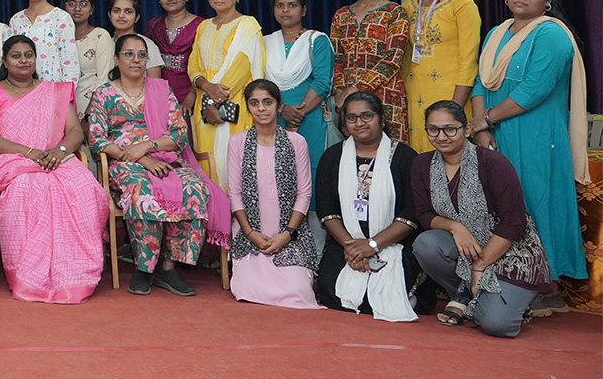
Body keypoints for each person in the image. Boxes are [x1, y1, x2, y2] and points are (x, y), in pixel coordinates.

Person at [469, 0, 588, 304]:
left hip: (537, 135)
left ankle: (544, 288)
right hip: (495, 134)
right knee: (501, 206)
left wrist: (485, 120)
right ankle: (506, 277)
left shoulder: (551, 34)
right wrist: (481, 129)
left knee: (536, 204)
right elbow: (480, 82)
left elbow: (532, 91)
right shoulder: (497, 33)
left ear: (547, 0)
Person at [86, 34, 225, 297]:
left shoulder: (162, 90)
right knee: (144, 192)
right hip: (126, 163)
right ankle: (144, 267)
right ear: (116, 59)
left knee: (194, 189)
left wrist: (149, 147)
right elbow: (97, 139)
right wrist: (140, 158)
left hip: (165, 157)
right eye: (128, 54)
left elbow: (179, 134)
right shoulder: (104, 93)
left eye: (141, 55)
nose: (136, 60)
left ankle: (169, 266)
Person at [0, 35, 108, 304]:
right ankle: (30, 276)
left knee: (84, 187)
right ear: (5, 61)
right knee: (27, 189)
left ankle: (72, 273)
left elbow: (73, 132)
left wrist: (58, 152)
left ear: (36, 59)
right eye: (16, 55)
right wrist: (29, 153)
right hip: (11, 159)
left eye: (28, 55)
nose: (23, 60)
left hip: (55, 157)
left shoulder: (54, 91)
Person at [412, 100, 552, 337]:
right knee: (426, 243)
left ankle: (494, 300)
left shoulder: (493, 162)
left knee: (498, 326)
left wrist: (480, 264)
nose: (441, 136)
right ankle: (465, 294)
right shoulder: (422, 164)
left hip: (510, 251)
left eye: (450, 128)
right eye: (433, 129)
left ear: (466, 130)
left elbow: (514, 222)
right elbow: (424, 215)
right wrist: (456, 227)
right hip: (464, 247)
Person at [314, 91, 421, 321]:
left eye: (366, 116)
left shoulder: (404, 157)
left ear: (381, 119)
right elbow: (327, 210)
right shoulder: (332, 157)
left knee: (390, 287)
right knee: (330, 289)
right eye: (351, 118)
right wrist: (353, 247)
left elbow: (411, 213)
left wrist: (372, 245)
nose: (359, 123)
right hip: (348, 241)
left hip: (395, 242)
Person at [226, 80, 319, 309]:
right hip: (251, 234)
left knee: (297, 291)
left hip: (289, 234)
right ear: (248, 107)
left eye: (267, 102)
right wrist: (250, 233)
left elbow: (304, 194)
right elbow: (235, 194)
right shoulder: (237, 142)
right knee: (246, 289)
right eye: (254, 103)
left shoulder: (297, 142)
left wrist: (287, 235)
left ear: (279, 106)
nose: (261, 109)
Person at [402, 0, 481, 154]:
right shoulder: (407, 7)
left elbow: (469, 60)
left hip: (450, 95)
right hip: (413, 96)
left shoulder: (462, 4)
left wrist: (454, 110)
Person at [187, 0, 263, 187]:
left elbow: (240, 70)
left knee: (233, 168)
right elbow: (193, 65)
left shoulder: (248, 25)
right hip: (204, 107)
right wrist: (205, 86)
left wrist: (212, 102)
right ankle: (217, 219)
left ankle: (238, 220)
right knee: (208, 165)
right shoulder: (203, 26)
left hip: (234, 106)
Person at [330, 0, 410, 144]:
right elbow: (337, 58)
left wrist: (354, 90)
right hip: (349, 105)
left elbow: (392, 60)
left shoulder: (394, 12)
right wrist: (341, 92)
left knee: (392, 156)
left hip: (385, 96)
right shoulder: (341, 16)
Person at [262, 0, 334, 168]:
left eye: (292, 5)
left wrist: (295, 116)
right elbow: (258, 84)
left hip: (310, 119)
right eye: (280, 5)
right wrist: (282, 109)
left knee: (311, 171)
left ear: (304, 10)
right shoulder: (264, 42)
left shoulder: (317, 40)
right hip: (273, 119)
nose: (285, 10)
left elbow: (322, 83)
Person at [8, 0, 78, 87]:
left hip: (53, 93)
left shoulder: (61, 18)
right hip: (21, 93)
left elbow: (70, 64)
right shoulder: (16, 20)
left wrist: (65, 98)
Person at [146, 0, 203, 113]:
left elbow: (206, 67)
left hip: (192, 100)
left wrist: (191, 98)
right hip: (159, 101)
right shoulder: (153, 26)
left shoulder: (202, 26)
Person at [65, 0, 114, 116]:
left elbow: (104, 80)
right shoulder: (59, 39)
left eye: (83, 4)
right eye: (72, 3)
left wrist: (88, 117)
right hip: (62, 111)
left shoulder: (100, 36)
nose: (77, 8)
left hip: (93, 111)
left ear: (92, 9)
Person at [105, 0, 162, 81]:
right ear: (109, 15)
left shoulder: (147, 45)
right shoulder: (104, 44)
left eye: (128, 11)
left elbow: (155, 85)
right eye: (116, 11)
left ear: (137, 17)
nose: (121, 15)